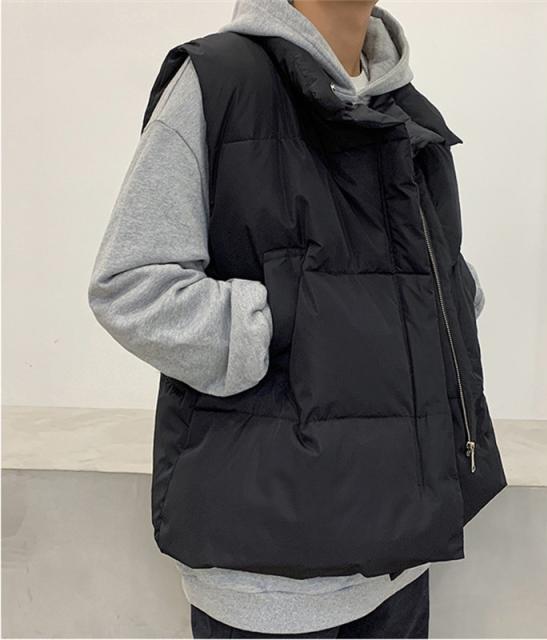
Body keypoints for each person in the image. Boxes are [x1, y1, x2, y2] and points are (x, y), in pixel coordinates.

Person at [88, 0, 507, 637]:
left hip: (398, 560)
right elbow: (130, 286)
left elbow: (423, 272)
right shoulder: (220, 81)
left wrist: (449, 294)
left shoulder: (402, 103)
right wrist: (287, 324)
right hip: (267, 573)